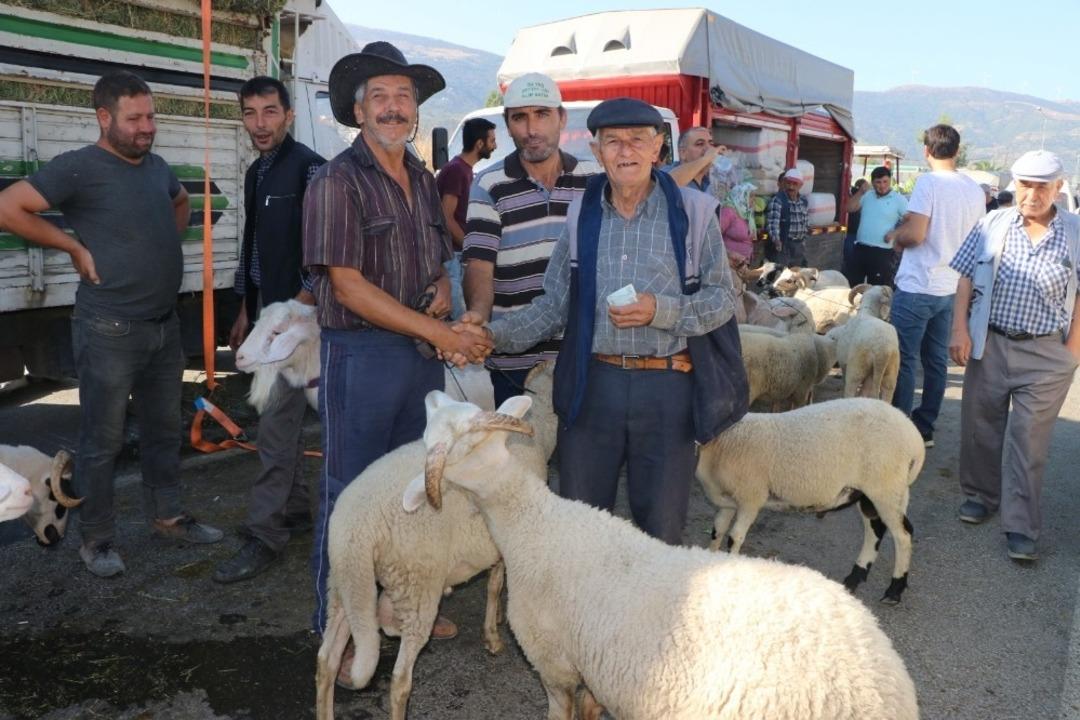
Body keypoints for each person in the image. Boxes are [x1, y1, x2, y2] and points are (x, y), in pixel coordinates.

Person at [458, 98, 744, 545]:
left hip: (667, 391)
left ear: (658, 150)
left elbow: (723, 300)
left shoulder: (694, 213)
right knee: (582, 529)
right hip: (594, 387)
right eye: (612, 141)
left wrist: (660, 310)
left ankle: (651, 616)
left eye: (637, 140)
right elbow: (552, 306)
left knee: (660, 534)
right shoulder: (581, 215)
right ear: (596, 150)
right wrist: (490, 335)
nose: (624, 150)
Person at [302, 42, 491, 641]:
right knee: (352, 491)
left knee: (413, 485)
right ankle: (336, 619)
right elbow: (348, 288)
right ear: (358, 112)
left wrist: (439, 289)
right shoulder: (336, 180)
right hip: (360, 357)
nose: (392, 108)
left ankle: (402, 607)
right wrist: (440, 331)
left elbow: (438, 261)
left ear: (415, 111)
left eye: (402, 97)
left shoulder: (421, 177)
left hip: (415, 354)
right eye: (378, 97)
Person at [0, 71, 222, 577]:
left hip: (164, 327)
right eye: (135, 119)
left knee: (165, 433)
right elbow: (8, 207)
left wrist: (162, 240)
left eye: (151, 116)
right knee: (103, 442)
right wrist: (73, 246)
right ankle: (97, 540)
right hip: (109, 330)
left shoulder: (157, 167)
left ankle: (168, 516)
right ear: (105, 118)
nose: (147, 128)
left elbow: (180, 201)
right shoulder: (80, 168)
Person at [212, 76, 326, 585]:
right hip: (267, 317)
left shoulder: (311, 169)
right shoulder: (257, 172)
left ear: (289, 115)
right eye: (250, 113)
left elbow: (324, 256)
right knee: (283, 423)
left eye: (270, 112)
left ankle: (264, 534)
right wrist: (244, 307)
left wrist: (291, 315)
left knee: (275, 430)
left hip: (298, 327)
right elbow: (250, 246)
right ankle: (297, 510)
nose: (260, 123)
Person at [947, 150, 1080, 562]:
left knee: (1029, 440)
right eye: (1025, 184)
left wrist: (1072, 352)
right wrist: (960, 328)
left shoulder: (1075, 231)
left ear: (1059, 188)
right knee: (981, 424)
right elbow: (966, 275)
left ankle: (1021, 525)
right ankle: (980, 496)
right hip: (992, 342)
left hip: (1047, 353)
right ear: (1013, 184)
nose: (1032, 193)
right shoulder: (993, 222)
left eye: (1042, 185)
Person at [461, 73, 598, 405]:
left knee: (582, 455)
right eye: (519, 117)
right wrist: (478, 314)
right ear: (508, 125)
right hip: (515, 360)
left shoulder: (593, 179)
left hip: (585, 354)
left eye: (542, 114)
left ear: (561, 118)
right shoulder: (488, 184)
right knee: (522, 454)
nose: (532, 129)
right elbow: (479, 262)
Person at [886, 124, 984, 447]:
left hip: (919, 286)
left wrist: (895, 238)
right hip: (952, 289)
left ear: (926, 151)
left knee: (904, 359)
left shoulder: (928, 182)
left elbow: (915, 234)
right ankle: (924, 428)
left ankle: (899, 432)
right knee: (935, 361)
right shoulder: (973, 189)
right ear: (957, 151)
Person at [436, 117, 496, 318]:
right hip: (452, 255)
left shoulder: (466, 171)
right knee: (460, 317)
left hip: (459, 254)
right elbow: (446, 216)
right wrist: (470, 247)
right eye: (492, 141)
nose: (494, 146)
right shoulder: (456, 171)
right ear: (480, 144)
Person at [846, 166, 907, 286]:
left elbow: (911, 222)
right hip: (860, 248)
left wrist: (895, 233)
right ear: (872, 183)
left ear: (890, 180)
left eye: (885, 181)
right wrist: (860, 192)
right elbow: (849, 208)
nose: (882, 185)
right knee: (853, 286)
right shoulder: (867, 195)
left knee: (877, 289)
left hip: (882, 252)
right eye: (878, 182)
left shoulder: (899, 200)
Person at [765, 167, 810, 266]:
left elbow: (805, 223)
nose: (791, 187)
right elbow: (773, 224)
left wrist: (804, 241)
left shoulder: (803, 201)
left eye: (795, 184)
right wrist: (777, 241)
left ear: (800, 185)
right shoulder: (778, 200)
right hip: (783, 246)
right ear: (784, 183)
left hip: (798, 246)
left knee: (797, 276)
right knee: (782, 277)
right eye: (789, 183)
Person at [720, 182, 757, 272]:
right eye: (750, 196)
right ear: (741, 195)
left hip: (743, 263)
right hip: (730, 264)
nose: (754, 199)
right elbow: (715, 235)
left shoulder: (747, 214)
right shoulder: (728, 211)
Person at [842, 178, 869, 283]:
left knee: (852, 260)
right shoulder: (857, 197)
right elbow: (848, 208)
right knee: (850, 260)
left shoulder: (864, 197)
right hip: (852, 234)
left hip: (855, 234)